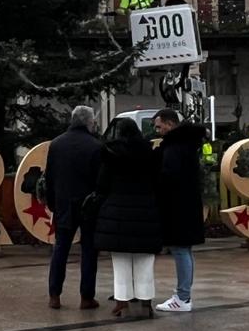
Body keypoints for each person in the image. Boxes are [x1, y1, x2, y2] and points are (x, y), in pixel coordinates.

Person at [94, 117, 161, 318]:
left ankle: (121, 301)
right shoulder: (149, 152)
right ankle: (146, 301)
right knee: (145, 259)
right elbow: (158, 182)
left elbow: (102, 184)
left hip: (118, 212)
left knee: (121, 259)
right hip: (145, 211)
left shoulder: (112, 153)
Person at [40, 105, 103, 310]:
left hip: (64, 204)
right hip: (88, 205)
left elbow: (49, 177)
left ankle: (54, 295)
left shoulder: (56, 144)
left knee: (61, 248)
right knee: (89, 250)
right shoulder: (95, 146)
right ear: (88, 122)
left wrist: (52, 203)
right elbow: (99, 180)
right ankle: (86, 297)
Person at [152, 111, 205, 313]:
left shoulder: (175, 147)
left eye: (159, 126)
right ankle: (183, 295)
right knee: (184, 250)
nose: (157, 131)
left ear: (170, 124)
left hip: (178, 206)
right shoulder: (187, 143)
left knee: (180, 249)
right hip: (186, 204)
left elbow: (168, 176)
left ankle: (183, 297)